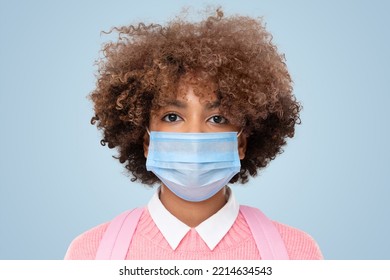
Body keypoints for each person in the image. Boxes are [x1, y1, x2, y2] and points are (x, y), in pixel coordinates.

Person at [65, 8, 323, 260]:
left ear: (241, 143)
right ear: (146, 141)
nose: (194, 137)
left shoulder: (296, 253)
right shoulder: (91, 253)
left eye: (217, 118)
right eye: (172, 117)